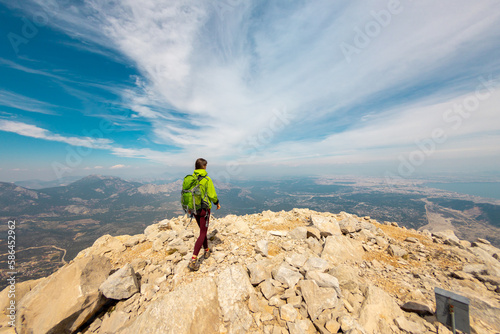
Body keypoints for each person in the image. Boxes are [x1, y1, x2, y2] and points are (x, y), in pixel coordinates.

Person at [188, 158, 221, 271]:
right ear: (204, 167)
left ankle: (206, 251)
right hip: (203, 210)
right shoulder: (206, 179)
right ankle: (193, 259)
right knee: (203, 233)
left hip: (194, 209)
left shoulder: (191, 179)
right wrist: (217, 203)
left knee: (203, 230)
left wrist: (189, 208)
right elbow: (212, 195)